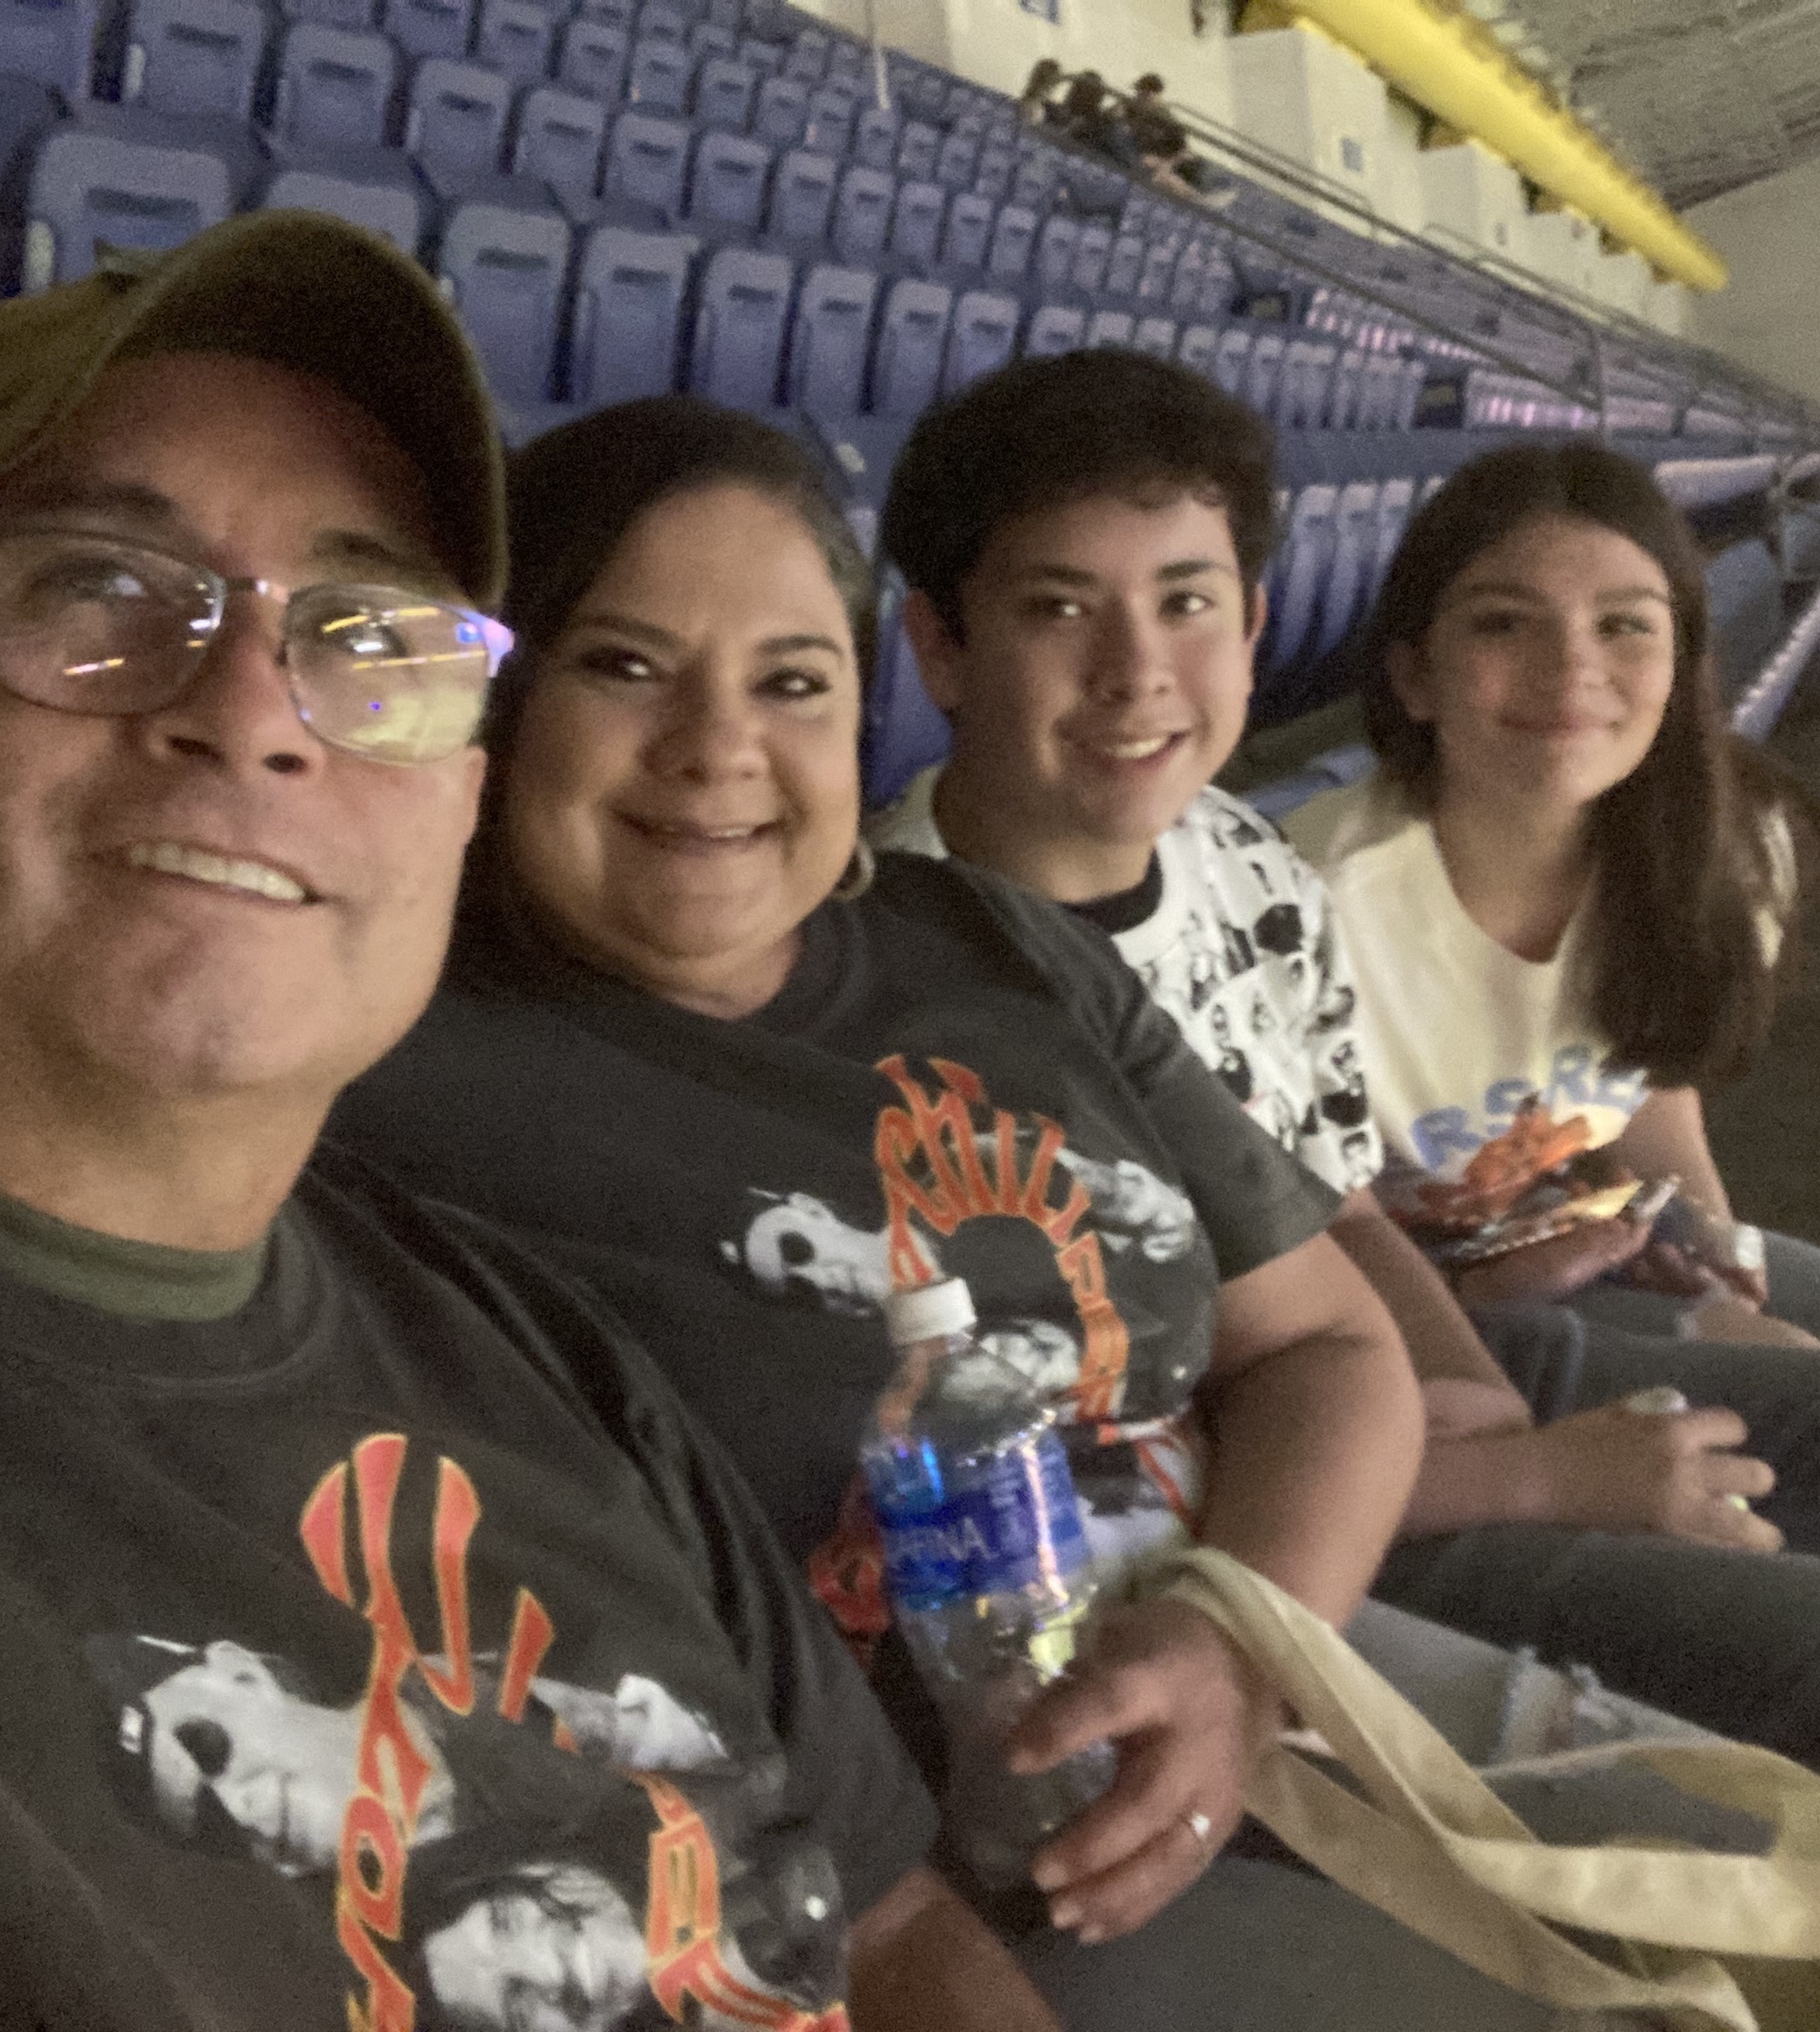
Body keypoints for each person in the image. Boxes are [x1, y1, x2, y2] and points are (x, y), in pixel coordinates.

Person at [0, 213, 1045, 2030]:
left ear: (453, 805)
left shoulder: (529, 1353)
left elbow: (896, 1933)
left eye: (367, 635)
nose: (253, 715)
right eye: (96, 586)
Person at [333, 396, 1696, 2031]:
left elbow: (1328, 1347)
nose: (716, 748)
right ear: (500, 700)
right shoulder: (395, 1074)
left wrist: (1233, 1652)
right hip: (961, 1867)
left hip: (1262, 1637)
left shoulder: (992, 946)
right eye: (624, 667)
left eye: (791, 682)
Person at [863, 348, 1820, 1770]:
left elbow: (1337, 1207)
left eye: (1185, 603)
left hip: (1388, 1362)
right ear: (940, 647)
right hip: (1232, 1491)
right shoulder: (906, 984)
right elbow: (1115, 1430)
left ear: (1252, 625)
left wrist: (1477, 1394)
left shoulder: (1240, 866)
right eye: (1060, 608)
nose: (1137, 673)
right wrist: (1525, 1474)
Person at [1288, 440, 1820, 1362]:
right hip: (1389, 1292)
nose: (1571, 667)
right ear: (1414, 676)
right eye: (1502, 623)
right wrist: (1480, 1291)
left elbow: (1646, 1080)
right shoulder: (1307, 906)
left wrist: (1710, 1240)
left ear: (1680, 663)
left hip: (1577, 1217)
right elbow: (1288, 1235)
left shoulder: (1726, 845)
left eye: (1624, 625)